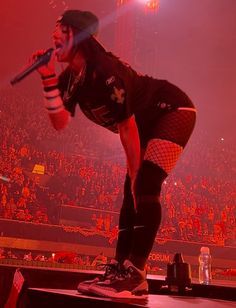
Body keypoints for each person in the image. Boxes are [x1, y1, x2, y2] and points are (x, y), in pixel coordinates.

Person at [32, 9, 196, 298]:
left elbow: (126, 126)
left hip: (172, 111)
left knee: (143, 185)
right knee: (130, 193)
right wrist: (46, 75)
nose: (53, 36)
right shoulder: (72, 77)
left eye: (61, 31)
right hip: (143, 124)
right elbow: (59, 120)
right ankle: (120, 268)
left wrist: (135, 175)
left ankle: (135, 274)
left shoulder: (105, 73)